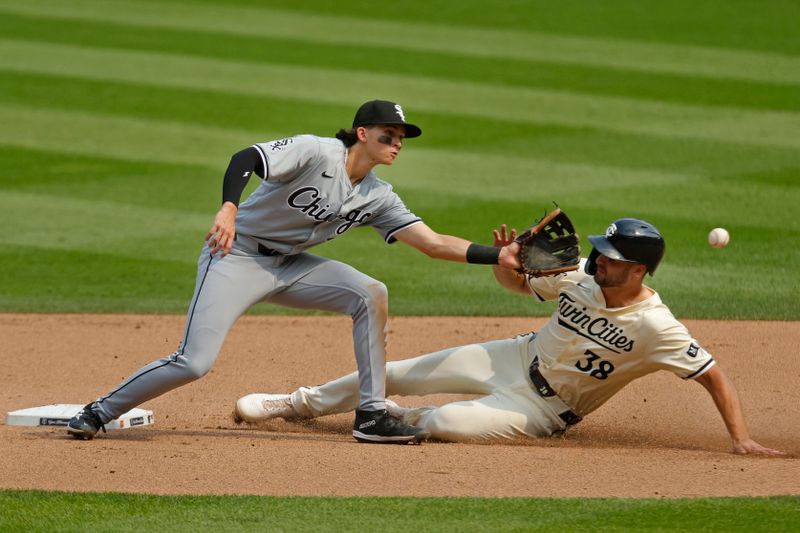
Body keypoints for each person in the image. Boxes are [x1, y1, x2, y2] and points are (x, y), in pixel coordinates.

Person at [67, 99, 521, 445]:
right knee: (195, 362)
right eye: (388, 135)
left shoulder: (378, 196)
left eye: (401, 138)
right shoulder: (316, 151)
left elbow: (433, 243)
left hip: (291, 266)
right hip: (237, 256)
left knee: (369, 292)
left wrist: (496, 256)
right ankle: (99, 411)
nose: (397, 143)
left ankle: (371, 414)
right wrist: (229, 208)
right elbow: (245, 158)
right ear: (362, 134)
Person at [235, 217, 785, 456]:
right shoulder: (580, 280)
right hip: (511, 358)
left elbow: (712, 374)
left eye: (610, 257)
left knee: (445, 422)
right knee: (397, 370)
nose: (595, 260)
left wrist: (739, 438)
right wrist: (508, 260)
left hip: (545, 413)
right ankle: (297, 403)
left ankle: (396, 419)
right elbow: (518, 287)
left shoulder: (657, 328)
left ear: (639, 271)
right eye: (598, 250)